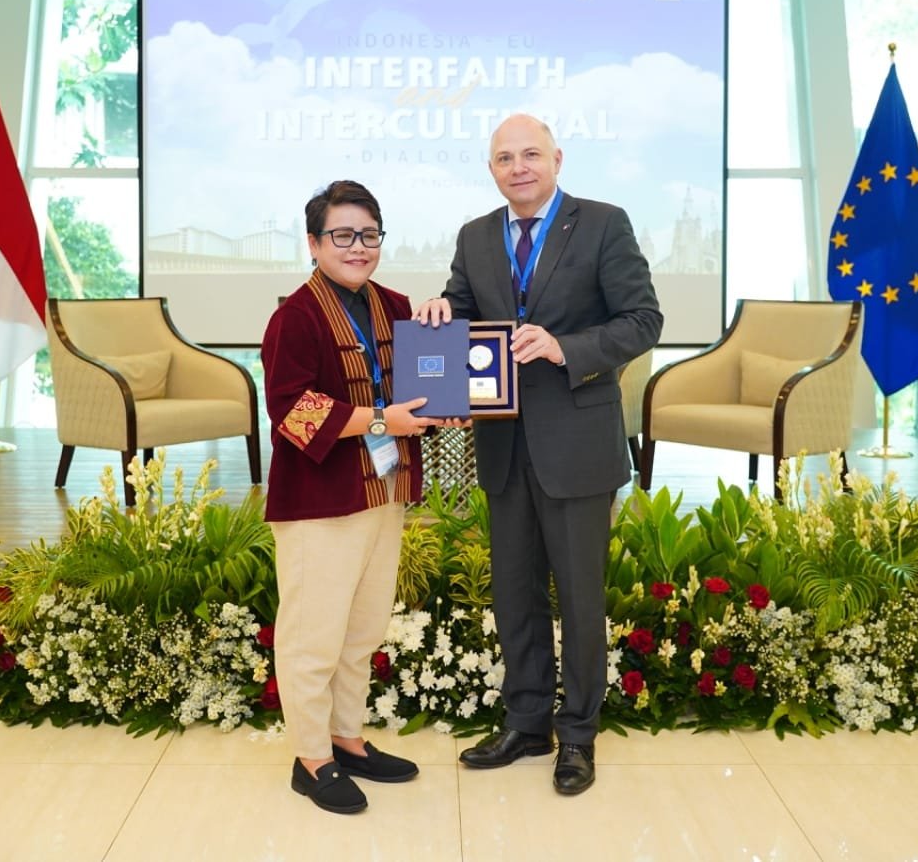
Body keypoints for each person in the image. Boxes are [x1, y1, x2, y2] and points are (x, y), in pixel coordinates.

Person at [414, 114, 662, 796]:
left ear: (556, 158)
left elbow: (644, 320)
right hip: (502, 442)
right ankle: (526, 722)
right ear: (491, 169)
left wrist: (565, 348)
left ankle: (577, 736)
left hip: (577, 443)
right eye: (503, 157)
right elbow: (464, 315)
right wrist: (440, 311)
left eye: (530, 154)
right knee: (514, 594)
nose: (518, 166)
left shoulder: (604, 223)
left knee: (579, 599)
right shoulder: (475, 236)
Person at [262, 179, 439, 815]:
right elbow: (291, 412)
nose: (357, 247)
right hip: (319, 503)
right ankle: (311, 760)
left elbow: (426, 377)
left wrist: (443, 393)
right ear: (314, 243)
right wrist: (378, 420)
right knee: (314, 635)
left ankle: (347, 739)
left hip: (382, 491)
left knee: (361, 629)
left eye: (369, 235)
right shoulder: (296, 317)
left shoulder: (394, 304)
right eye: (342, 235)